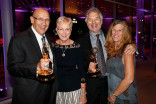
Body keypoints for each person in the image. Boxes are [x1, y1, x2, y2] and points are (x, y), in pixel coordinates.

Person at [76, 7, 136, 104]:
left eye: (96, 18)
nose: (93, 22)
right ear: (86, 22)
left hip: (109, 83)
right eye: (90, 19)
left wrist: (133, 46)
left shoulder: (110, 34)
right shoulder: (80, 41)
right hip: (91, 84)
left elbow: (125, 40)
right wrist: (87, 67)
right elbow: (77, 65)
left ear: (101, 21)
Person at [7, 8, 57, 104]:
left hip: (49, 95)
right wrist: (36, 67)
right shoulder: (18, 39)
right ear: (32, 20)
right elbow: (12, 67)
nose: (44, 23)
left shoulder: (47, 37)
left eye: (47, 20)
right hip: (29, 97)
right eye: (40, 19)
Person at [52, 16, 87, 104]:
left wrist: (83, 94)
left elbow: (81, 72)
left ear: (71, 30)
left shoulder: (77, 47)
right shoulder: (51, 47)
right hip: (56, 91)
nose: (64, 32)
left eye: (67, 29)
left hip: (74, 90)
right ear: (56, 30)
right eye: (61, 29)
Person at [105, 20, 137, 104]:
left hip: (123, 95)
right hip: (111, 91)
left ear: (124, 33)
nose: (116, 32)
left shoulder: (127, 50)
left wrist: (114, 95)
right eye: (114, 29)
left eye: (120, 30)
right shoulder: (110, 48)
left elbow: (129, 79)